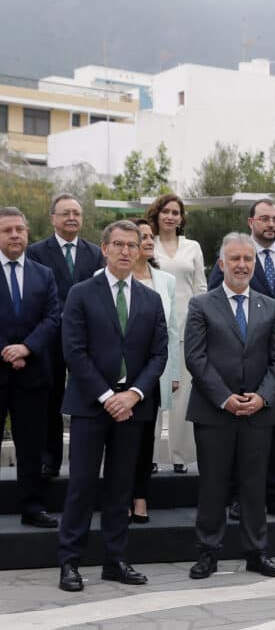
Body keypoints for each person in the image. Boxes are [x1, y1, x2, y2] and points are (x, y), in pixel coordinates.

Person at [57, 220, 167, 592]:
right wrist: (107, 396)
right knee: (82, 485)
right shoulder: (80, 293)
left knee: (121, 488)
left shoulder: (151, 299)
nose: (124, 251)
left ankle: (115, 560)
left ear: (139, 251)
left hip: (133, 408)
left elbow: (159, 353)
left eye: (131, 245)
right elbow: (74, 350)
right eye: (117, 244)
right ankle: (69, 563)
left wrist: (133, 394)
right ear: (103, 249)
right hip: (92, 405)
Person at [208, 198, 275, 519]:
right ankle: (239, 498)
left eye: (274, 220)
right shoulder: (236, 255)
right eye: (264, 219)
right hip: (242, 362)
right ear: (250, 222)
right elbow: (214, 300)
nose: (271, 224)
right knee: (242, 433)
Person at [186, 233, 275, 579]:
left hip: (258, 413)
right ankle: (208, 552)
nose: (242, 265)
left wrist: (262, 397)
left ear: (254, 264)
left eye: (248, 259)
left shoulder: (270, 306)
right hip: (214, 412)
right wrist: (224, 398)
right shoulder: (201, 305)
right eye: (235, 259)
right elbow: (195, 358)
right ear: (222, 264)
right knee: (213, 484)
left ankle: (256, 552)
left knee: (253, 486)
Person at [27, 193, 103, 480]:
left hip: (87, 338)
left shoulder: (94, 252)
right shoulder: (36, 252)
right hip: (51, 338)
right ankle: (51, 459)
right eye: (65, 213)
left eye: (77, 213)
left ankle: (86, 461)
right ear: (52, 218)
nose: (72, 218)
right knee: (52, 399)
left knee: (89, 396)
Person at [0, 206, 60, 528]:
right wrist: (6, 352)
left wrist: (27, 348)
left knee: (31, 446)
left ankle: (32, 507)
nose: (14, 235)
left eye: (19, 229)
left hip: (33, 374)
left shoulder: (44, 274)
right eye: (7, 230)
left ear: (27, 233)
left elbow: (53, 317)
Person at [122, 219, 180, 522]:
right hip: (117, 377)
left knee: (146, 439)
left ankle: (140, 497)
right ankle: (120, 497)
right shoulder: (101, 278)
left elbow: (170, 331)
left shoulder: (165, 281)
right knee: (119, 441)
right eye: (139, 236)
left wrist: (172, 373)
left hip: (152, 373)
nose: (146, 240)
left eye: (148, 236)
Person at [147, 193, 207, 473]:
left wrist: (202, 326)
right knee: (153, 394)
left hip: (186, 331)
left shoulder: (192, 247)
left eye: (176, 212)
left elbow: (201, 289)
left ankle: (180, 456)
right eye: (166, 211)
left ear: (182, 218)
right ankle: (148, 457)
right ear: (157, 214)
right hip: (151, 331)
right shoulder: (147, 243)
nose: (171, 216)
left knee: (182, 396)